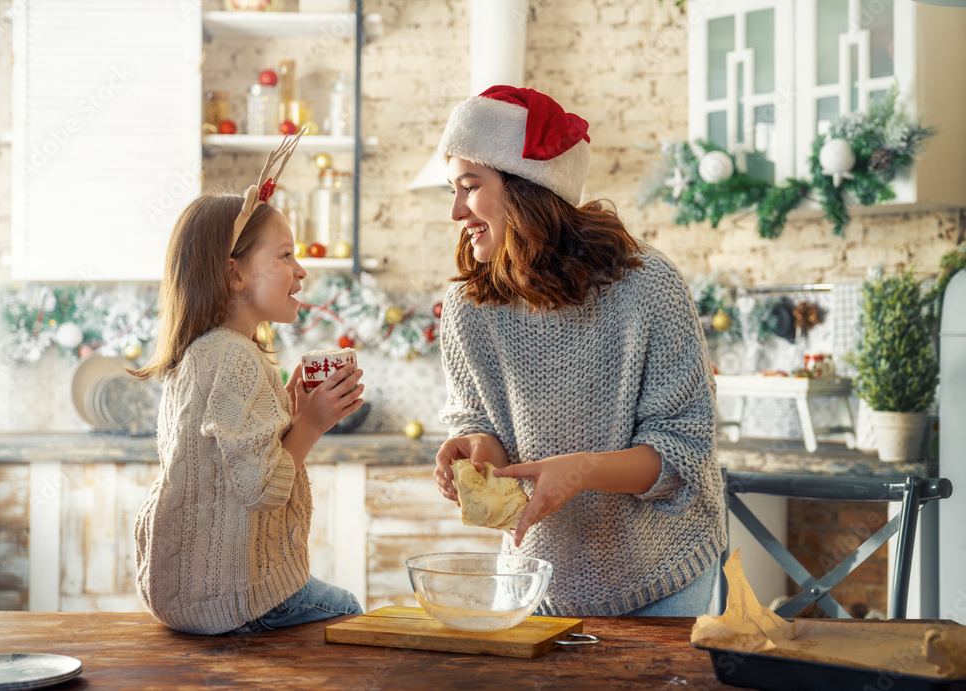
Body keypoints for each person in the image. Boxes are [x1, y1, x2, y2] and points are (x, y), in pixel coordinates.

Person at [432, 85, 727, 618]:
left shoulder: (646, 286)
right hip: (534, 581)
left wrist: (584, 469)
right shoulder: (468, 305)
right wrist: (477, 448)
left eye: (470, 187)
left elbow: (682, 453)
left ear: (526, 188)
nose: (456, 210)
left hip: (661, 574)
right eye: (452, 190)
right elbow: (481, 421)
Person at [132, 135, 365, 635]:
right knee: (347, 608)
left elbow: (228, 458)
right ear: (234, 275)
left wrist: (289, 407)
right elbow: (260, 486)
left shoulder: (204, 351)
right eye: (285, 256)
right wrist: (312, 424)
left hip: (179, 590)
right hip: (231, 594)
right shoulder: (237, 357)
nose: (301, 271)